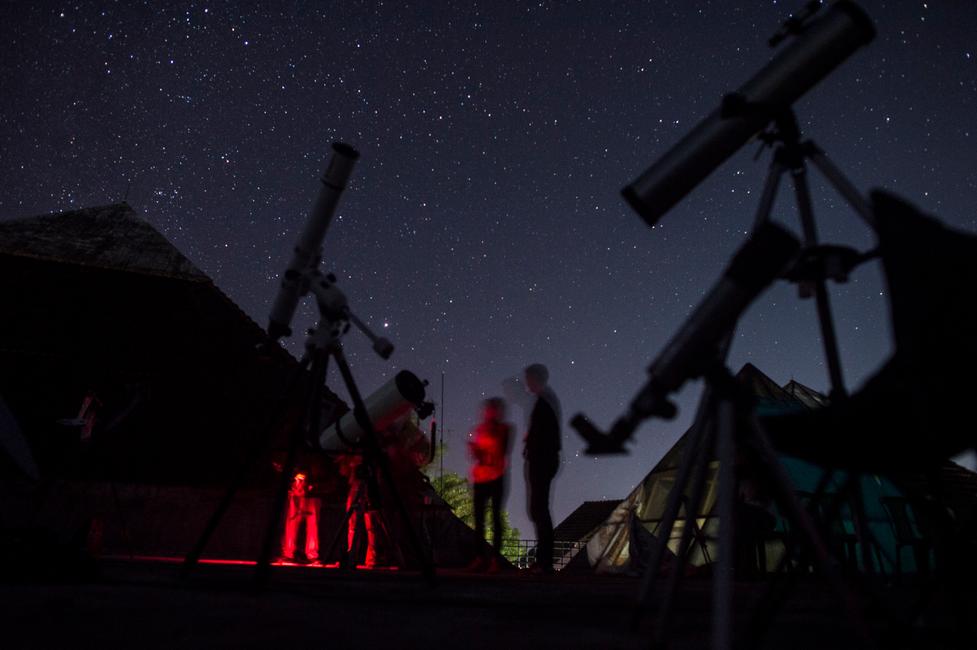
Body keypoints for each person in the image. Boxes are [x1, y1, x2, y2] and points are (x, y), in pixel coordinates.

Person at [522, 363, 561, 574]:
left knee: (539, 509)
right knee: (539, 509)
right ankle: (543, 561)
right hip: (544, 460)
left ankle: (544, 562)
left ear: (535, 378)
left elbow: (545, 435)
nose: (525, 381)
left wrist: (532, 446)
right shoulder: (546, 400)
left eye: (527, 378)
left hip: (542, 461)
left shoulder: (544, 401)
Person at [467, 397, 512, 573]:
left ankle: (495, 560)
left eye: (491, 409)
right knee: (479, 519)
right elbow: (478, 455)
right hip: (480, 478)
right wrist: (475, 452)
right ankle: (479, 558)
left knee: (495, 518)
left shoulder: (504, 429)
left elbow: (502, 451)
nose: (487, 412)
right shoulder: (479, 429)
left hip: (496, 477)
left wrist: (485, 455)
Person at [281, 471, 320, 564]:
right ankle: (289, 552)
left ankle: (311, 553)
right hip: (297, 493)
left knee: (312, 525)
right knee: (292, 524)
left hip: (312, 494)